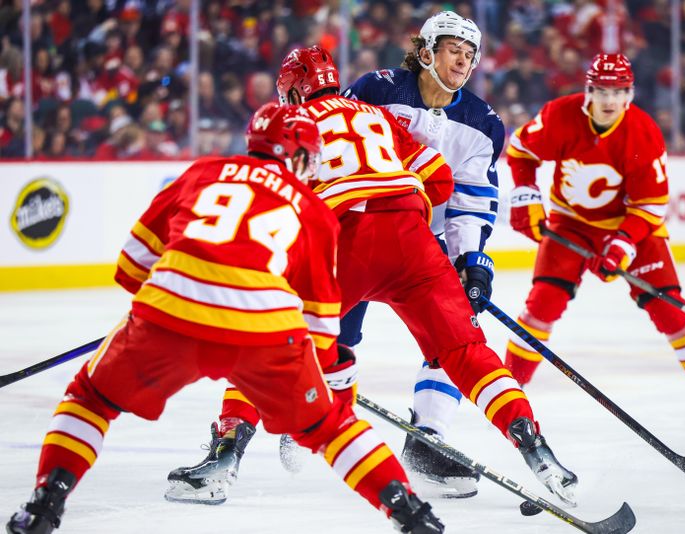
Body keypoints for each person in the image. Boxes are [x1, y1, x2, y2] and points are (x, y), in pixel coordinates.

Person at [166, 45, 578, 510]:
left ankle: (226, 456)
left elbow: (270, 201)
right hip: (413, 241)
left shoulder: (289, 124)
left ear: (294, 92)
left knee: (268, 342)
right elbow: (440, 179)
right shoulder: (375, 115)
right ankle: (534, 447)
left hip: (344, 245)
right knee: (464, 350)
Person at [6, 103, 444, 534]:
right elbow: (321, 323)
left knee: (91, 398)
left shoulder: (201, 172)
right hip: (264, 334)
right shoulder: (313, 210)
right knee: (331, 428)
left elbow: (131, 266)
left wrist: (159, 315)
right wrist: (328, 372)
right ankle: (410, 514)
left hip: (169, 315)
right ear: (297, 155)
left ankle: (45, 504)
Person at [503, 53, 685, 433]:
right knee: (541, 307)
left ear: (630, 94)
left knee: (671, 313)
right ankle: (507, 392)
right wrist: (524, 194)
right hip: (570, 225)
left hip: (629, 226)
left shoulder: (644, 133)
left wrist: (622, 244)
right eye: (601, 90)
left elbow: (650, 206)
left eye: (618, 92)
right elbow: (521, 152)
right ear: (588, 91)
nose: (609, 100)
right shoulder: (560, 115)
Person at [340, 10, 505, 499]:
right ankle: (274, 423)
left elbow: (472, 199)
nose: (464, 58)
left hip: (420, 244)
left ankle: (428, 438)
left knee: (457, 334)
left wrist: (470, 258)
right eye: (454, 47)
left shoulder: (482, 121)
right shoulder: (376, 88)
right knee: (327, 332)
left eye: (471, 52)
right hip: (356, 228)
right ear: (427, 51)